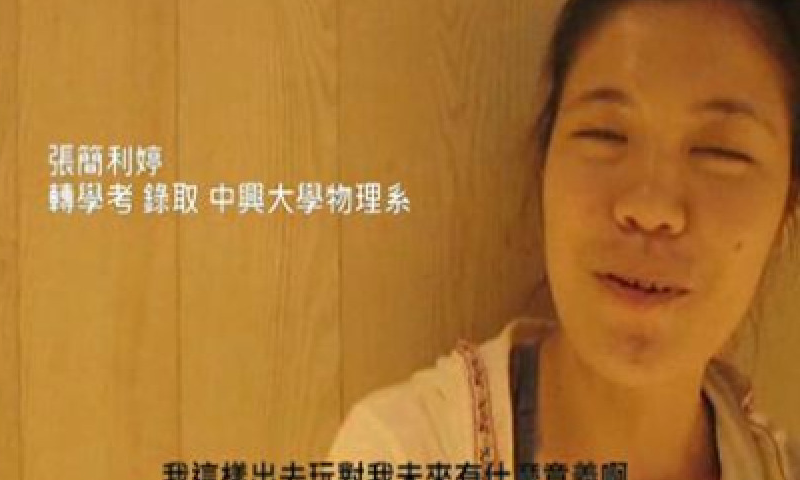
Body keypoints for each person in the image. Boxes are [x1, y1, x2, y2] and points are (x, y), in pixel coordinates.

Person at [326, 0, 800, 479]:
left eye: (722, 152)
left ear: (787, 204)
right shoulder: (403, 452)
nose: (650, 208)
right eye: (605, 134)